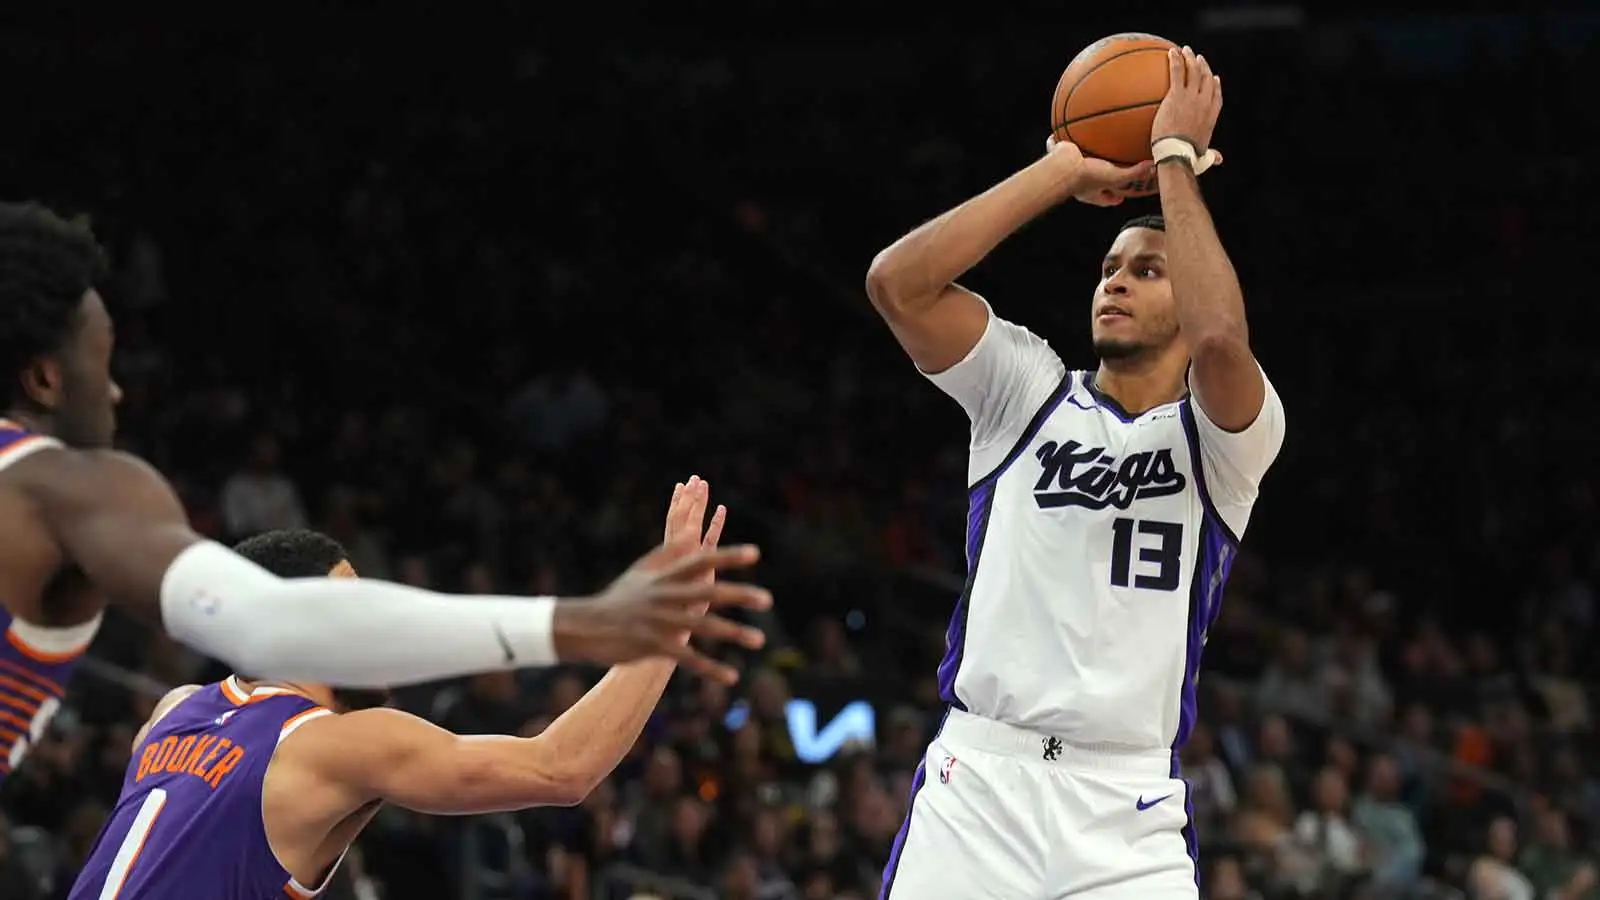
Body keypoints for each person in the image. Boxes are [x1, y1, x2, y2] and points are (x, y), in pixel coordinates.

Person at [0, 201, 770, 781]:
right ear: (43, 377)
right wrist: (582, 623)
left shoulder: (173, 717)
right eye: (103, 363)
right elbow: (266, 621)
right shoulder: (66, 487)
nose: (116, 392)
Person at [864, 47, 1285, 898]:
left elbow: (1218, 340)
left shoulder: (1225, 439)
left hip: (1127, 810)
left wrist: (1173, 159)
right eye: (1108, 269)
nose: (1116, 282)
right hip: (981, 788)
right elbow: (896, 285)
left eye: (1147, 270)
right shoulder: (1024, 391)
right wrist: (1061, 171)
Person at [68, 476, 729, 899]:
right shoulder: (332, 743)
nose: (377, 626)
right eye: (355, 608)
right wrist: (669, 628)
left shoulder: (175, 711)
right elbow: (561, 768)